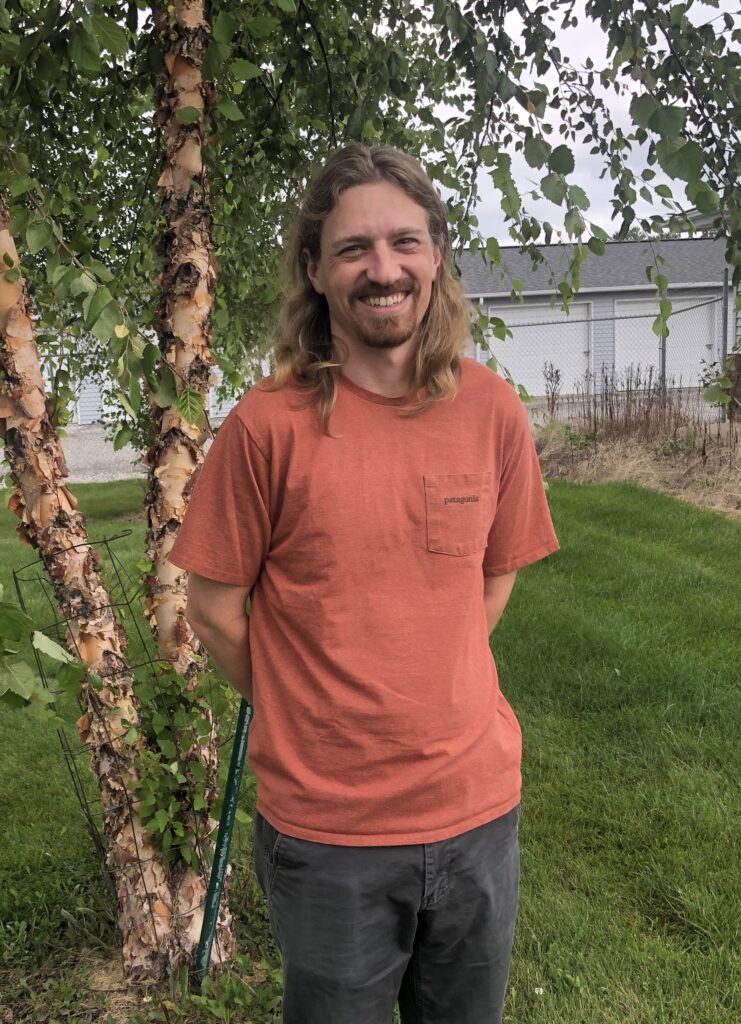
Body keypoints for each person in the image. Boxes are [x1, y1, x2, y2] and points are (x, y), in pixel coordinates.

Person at [168, 143, 559, 1024]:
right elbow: (213, 610)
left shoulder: (493, 410)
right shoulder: (266, 430)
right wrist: (311, 711)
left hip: (478, 815)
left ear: (436, 258)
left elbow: (490, 582)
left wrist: (427, 675)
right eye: (353, 249)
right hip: (327, 835)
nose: (382, 270)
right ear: (314, 270)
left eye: (404, 243)